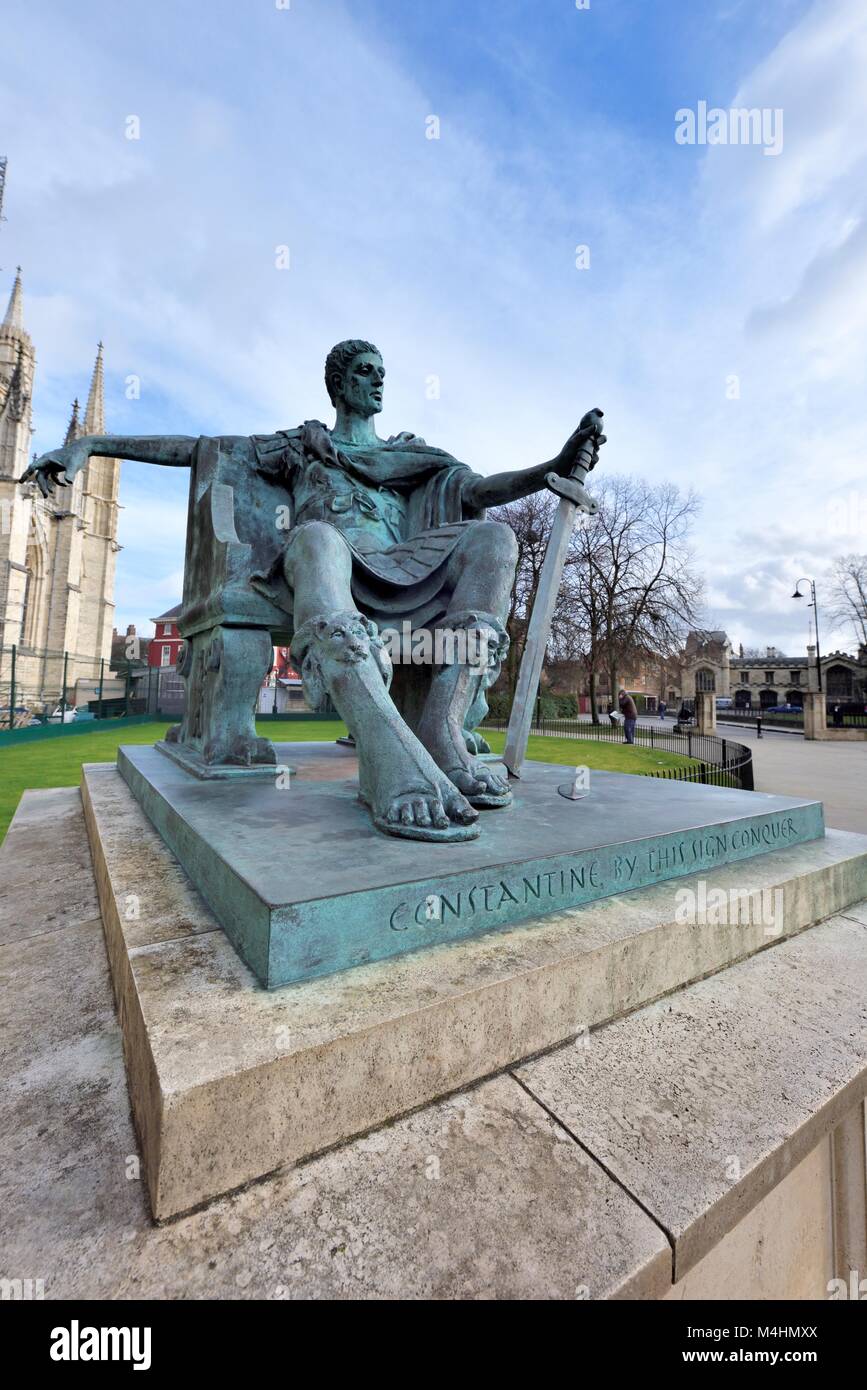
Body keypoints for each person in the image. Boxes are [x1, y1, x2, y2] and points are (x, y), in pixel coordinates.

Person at [21, 338, 603, 843]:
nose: (378, 382)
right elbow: (200, 448)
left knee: (495, 540)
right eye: (364, 372)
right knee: (318, 537)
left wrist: (554, 465)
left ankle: (441, 729)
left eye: (382, 373)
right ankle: (387, 754)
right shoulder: (302, 445)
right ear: (338, 384)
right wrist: (92, 444)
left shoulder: (409, 453)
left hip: (405, 570)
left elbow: (482, 490)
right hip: (326, 568)